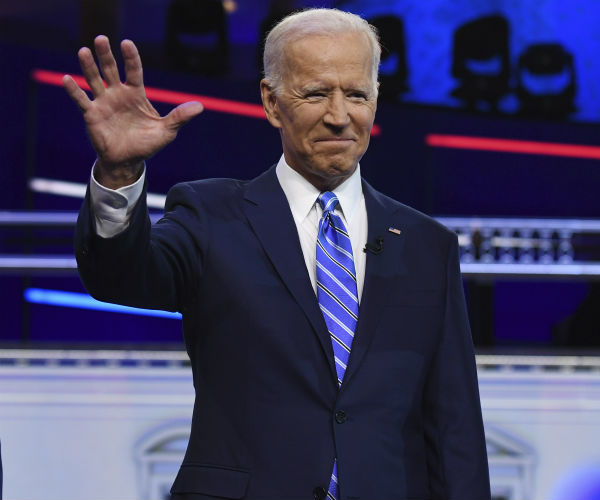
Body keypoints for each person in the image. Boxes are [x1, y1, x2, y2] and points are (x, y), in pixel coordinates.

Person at [64, 8, 491, 500]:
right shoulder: (211, 215)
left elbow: (453, 424)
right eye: (315, 93)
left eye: (356, 94)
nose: (339, 115)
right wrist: (119, 175)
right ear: (271, 102)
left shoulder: (425, 243)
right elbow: (120, 276)